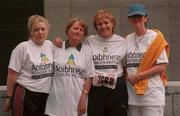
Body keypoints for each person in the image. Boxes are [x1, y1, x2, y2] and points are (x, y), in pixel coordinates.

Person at [3, 15, 53, 116]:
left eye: (43, 29)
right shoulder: (22, 48)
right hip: (26, 95)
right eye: (36, 30)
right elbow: (12, 74)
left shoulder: (51, 45)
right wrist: (9, 97)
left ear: (47, 30)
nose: (40, 32)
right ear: (30, 32)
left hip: (47, 96)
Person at [125, 3, 170, 116]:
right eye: (133, 17)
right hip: (133, 97)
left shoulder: (156, 38)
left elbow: (161, 67)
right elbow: (124, 66)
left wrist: (138, 76)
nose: (136, 19)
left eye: (139, 16)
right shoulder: (126, 40)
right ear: (129, 20)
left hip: (152, 96)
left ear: (146, 18)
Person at [45, 17, 95, 116]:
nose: (78, 31)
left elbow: (89, 77)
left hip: (77, 103)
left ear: (84, 34)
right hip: (56, 103)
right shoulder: (56, 47)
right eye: (75, 28)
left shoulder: (87, 50)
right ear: (68, 30)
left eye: (81, 30)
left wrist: (83, 98)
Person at [86, 9, 128, 116]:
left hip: (117, 87)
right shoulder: (90, 41)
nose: (103, 26)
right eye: (99, 24)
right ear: (96, 27)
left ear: (112, 24)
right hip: (96, 87)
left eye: (106, 23)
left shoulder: (122, 42)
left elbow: (125, 66)